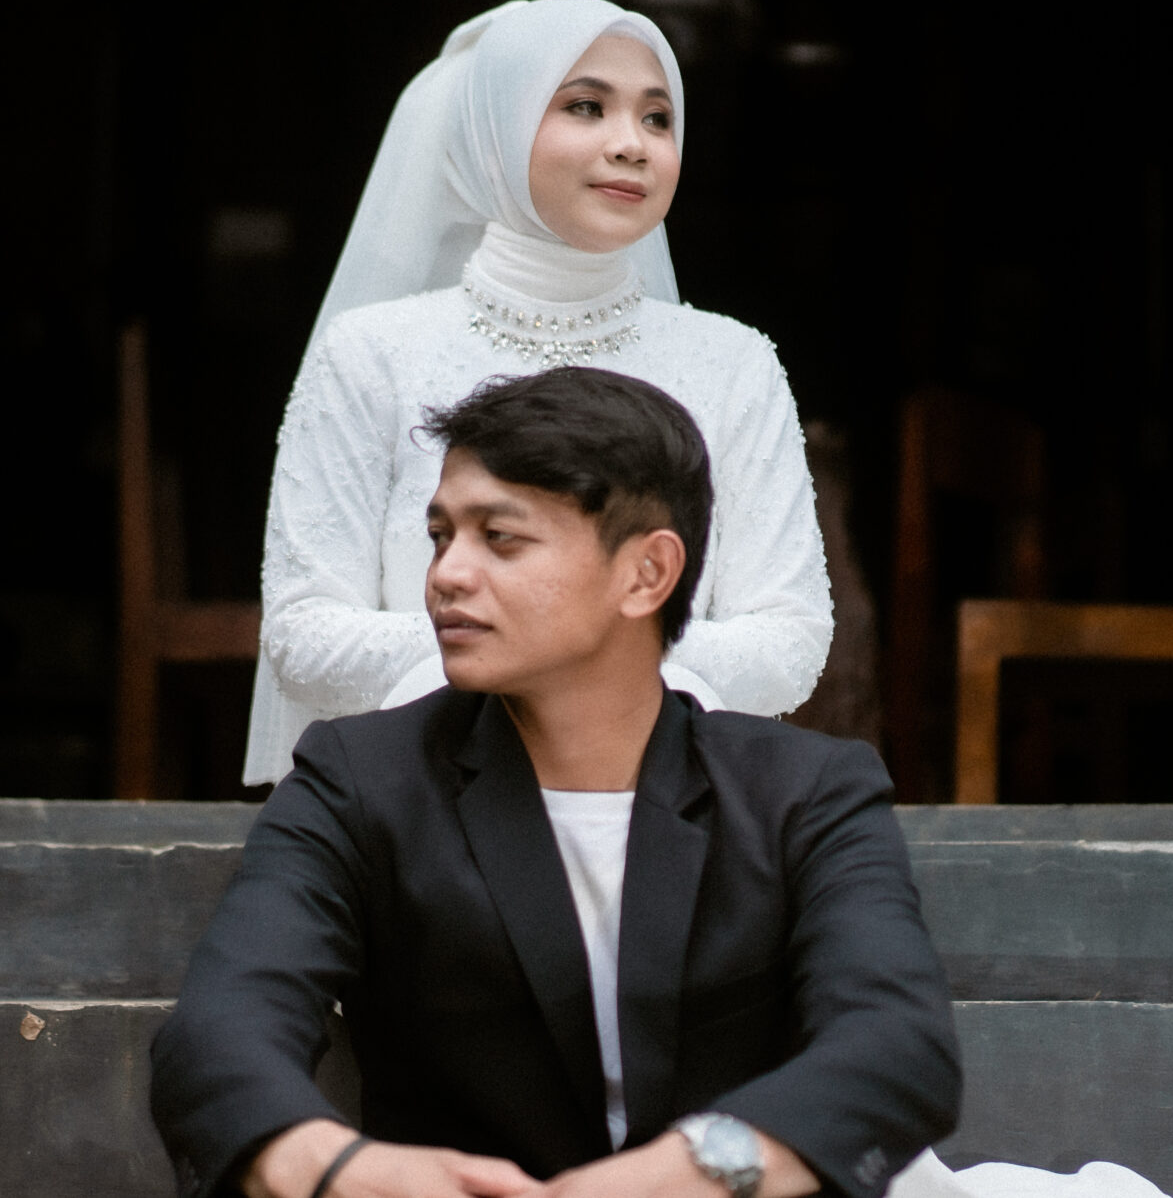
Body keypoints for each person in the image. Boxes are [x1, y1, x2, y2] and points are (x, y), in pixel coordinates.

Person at [155, 367, 960, 1198]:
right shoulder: (359, 779)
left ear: (646, 573)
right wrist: (341, 1170)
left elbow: (898, 1046)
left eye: (500, 538)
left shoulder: (803, 790)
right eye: (440, 535)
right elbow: (220, 1031)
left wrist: (689, 1170)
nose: (446, 573)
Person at [242, 0, 831, 787]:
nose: (631, 144)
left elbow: (789, 640)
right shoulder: (371, 354)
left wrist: (558, 652)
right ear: (497, 126)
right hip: (422, 800)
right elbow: (305, 633)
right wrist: (559, 647)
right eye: (586, 106)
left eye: (658, 118)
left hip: (663, 804)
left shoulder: (735, 364)